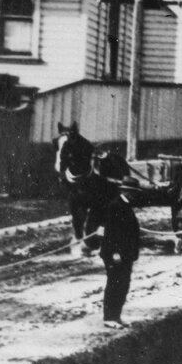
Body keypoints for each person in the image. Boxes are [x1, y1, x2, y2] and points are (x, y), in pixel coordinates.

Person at [82, 149, 140, 328]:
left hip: (125, 255)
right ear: (127, 192)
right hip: (115, 254)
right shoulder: (116, 206)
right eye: (133, 192)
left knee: (123, 286)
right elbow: (112, 233)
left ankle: (116, 316)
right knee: (115, 285)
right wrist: (115, 252)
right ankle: (109, 318)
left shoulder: (125, 205)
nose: (135, 195)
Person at [54, 121, 95, 255]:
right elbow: (62, 159)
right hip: (74, 180)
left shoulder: (85, 145)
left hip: (86, 178)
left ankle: (90, 240)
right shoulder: (65, 146)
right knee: (76, 213)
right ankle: (78, 239)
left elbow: (89, 151)